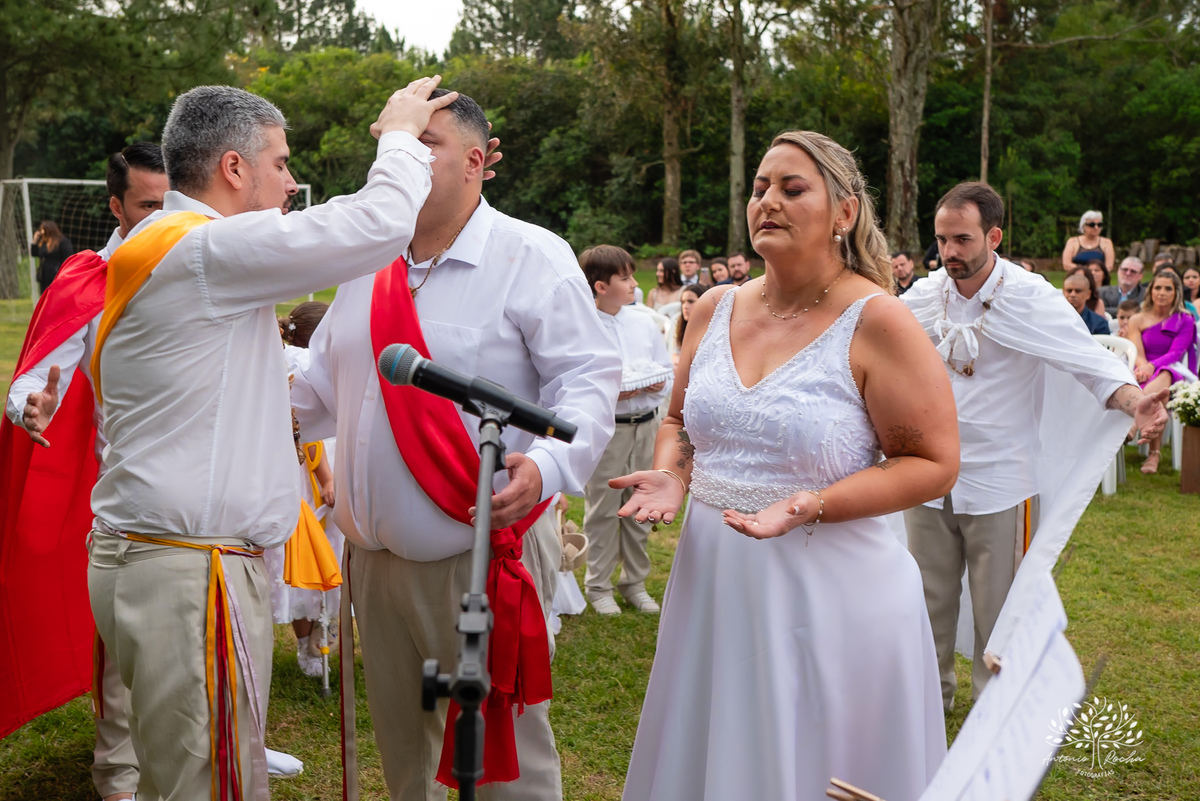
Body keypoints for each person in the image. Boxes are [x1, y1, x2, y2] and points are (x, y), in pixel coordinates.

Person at [78, 79, 462, 800]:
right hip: (191, 573)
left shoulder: (162, 251)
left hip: (164, 561)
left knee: (196, 773)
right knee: (207, 785)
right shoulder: (201, 249)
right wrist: (401, 136)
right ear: (232, 168)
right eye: (281, 163)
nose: (291, 181)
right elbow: (373, 226)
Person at [291, 88, 622, 801]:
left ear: (475, 161)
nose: (405, 153)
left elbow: (589, 380)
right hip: (374, 566)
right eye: (396, 140)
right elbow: (315, 391)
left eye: (425, 142)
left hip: (479, 556)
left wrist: (548, 465)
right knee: (406, 762)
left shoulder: (530, 254)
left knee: (507, 765)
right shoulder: (365, 265)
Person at [614, 130, 955, 801]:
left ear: (845, 211)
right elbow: (680, 419)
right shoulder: (713, 308)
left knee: (806, 765)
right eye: (760, 187)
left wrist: (812, 503)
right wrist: (674, 474)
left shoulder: (877, 321)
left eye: (792, 188)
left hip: (829, 592)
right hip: (716, 580)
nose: (768, 200)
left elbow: (935, 462)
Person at [901, 182, 1167, 713]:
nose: (948, 252)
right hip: (927, 479)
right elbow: (871, 349)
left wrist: (1135, 401)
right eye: (941, 240)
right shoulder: (924, 296)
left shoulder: (1030, 296)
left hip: (1002, 482)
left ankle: (992, 713)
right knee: (923, 602)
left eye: (962, 239)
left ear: (993, 236)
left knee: (1001, 609)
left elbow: (1090, 365)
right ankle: (928, 706)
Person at [2, 142, 168, 801]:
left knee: (190, 631)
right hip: (118, 491)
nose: (160, 218)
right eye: (147, 205)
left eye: (169, 203)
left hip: (194, 487)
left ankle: (212, 744)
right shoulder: (88, 278)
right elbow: (37, 375)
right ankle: (118, 771)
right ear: (115, 206)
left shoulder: (193, 261)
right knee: (123, 641)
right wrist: (30, 407)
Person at [580, 245, 672, 616]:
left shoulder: (642, 322)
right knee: (603, 508)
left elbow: (663, 369)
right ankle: (598, 584)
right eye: (626, 277)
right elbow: (579, 381)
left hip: (646, 425)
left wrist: (654, 385)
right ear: (601, 286)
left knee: (643, 507)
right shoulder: (582, 326)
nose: (635, 283)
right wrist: (616, 393)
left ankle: (634, 582)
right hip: (608, 430)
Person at [263, 300, 343, 678]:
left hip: (320, 469)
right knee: (305, 556)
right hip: (305, 478)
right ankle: (307, 640)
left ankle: (320, 633)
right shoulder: (297, 372)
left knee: (326, 553)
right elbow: (303, 437)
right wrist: (327, 478)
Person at [1128, 269, 1197, 474]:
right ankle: (1153, 453)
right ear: (1150, 291)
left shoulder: (1185, 319)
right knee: (1156, 390)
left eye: (1168, 288)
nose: (1162, 292)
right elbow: (1137, 351)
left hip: (1172, 371)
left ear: (1176, 293)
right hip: (1142, 371)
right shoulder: (1137, 319)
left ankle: (1136, 427)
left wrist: (1152, 366)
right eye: (1158, 287)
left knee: (1165, 377)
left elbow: (1176, 353)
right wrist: (1143, 367)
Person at [30, 219, 75, 291]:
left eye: (42, 230)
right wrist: (35, 241)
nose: (41, 232)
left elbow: (68, 259)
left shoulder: (63, 242)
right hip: (44, 277)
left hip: (57, 277)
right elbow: (35, 253)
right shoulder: (44, 244)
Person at [1063, 268, 1111, 335]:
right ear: (1063, 293)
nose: (1072, 294)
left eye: (1078, 291)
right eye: (1069, 291)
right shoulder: (1056, 319)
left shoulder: (1099, 324)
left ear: (1088, 294)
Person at [668, 283, 705, 365]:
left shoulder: (711, 327)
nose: (685, 306)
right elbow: (675, 354)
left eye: (690, 301)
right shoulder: (678, 323)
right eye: (683, 302)